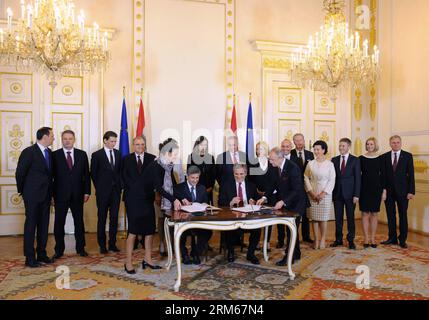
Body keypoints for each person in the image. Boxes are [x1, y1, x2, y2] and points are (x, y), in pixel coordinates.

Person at [257, 147, 305, 265]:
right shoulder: (274, 168)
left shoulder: (293, 168)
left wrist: (283, 201)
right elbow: (271, 185)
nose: (270, 162)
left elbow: (297, 189)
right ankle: (296, 253)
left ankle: (289, 257)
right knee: (291, 230)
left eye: (272, 159)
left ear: (280, 158)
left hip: (296, 203)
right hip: (286, 202)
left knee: (290, 231)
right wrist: (263, 198)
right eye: (270, 159)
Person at [15, 127, 55, 267]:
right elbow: (20, 173)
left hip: (46, 196)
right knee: (31, 225)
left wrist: (51, 195)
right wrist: (23, 191)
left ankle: (42, 254)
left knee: (44, 225)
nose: (53, 138)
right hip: (32, 196)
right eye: (52, 136)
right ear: (44, 136)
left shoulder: (49, 152)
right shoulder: (29, 152)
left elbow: (50, 176)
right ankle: (29, 257)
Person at [52, 130, 91, 259]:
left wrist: (87, 192)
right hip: (60, 195)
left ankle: (81, 248)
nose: (67, 141)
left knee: (79, 222)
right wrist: (52, 195)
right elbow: (51, 178)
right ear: (61, 140)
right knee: (59, 223)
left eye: (70, 138)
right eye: (65, 139)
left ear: (74, 140)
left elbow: (86, 175)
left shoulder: (82, 154)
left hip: (78, 195)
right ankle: (59, 250)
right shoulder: (54, 155)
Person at [122, 136, 156, 274]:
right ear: (133, 145)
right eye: (137, 144)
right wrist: (138, 189)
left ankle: (148, 258)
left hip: (148, 199)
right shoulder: (126, 159)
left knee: (149, 230)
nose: (140, 146)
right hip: (133, 199)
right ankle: (128, 262)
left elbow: (155, 178)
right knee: (133, 231)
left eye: (142, 144)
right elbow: (124, 178)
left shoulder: (152, 158)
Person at [218, 164, 261, 265]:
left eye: (241, 174)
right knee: (229, 228)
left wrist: (253, 201)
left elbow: (256, 199)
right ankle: (231, 252)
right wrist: (230, 202)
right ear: (233, 173)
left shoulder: (251, 185)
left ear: (245, 174)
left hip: (248, 217)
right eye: (236, 174)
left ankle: (250, 254)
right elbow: (220, 203)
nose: (239, 176)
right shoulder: (226, 185)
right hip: (233, 216)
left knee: (257, 229)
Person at [381, 135, 415, 249]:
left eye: (397, 142)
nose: (395, 144)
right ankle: (392, 238)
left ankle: (402, 240)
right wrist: (383, 191)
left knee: (403, 216)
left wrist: (411, 191)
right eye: (393, 143)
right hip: (389, 192)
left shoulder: (407, 156)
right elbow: (383, 176)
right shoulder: (384, 157)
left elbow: (411, 175)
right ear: (390, 144)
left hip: (403, 192)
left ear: (401, 143)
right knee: (391, 216)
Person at [90, 131, 122, 254]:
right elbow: (93, 173)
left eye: (115, 141)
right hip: (103, 192)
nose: (114, 143)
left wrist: (120, 186)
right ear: (105, 140)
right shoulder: (97, 155)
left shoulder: (118, 154)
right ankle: (102, 245)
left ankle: (112, 244)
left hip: (116, 192)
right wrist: (100, 187)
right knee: (102, 218)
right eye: (112, 141)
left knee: (114, 218)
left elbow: (119, 172)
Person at [174, 166, 213, 265]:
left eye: (197, 178)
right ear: (187, 176)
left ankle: (196, 253)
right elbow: (175, 203)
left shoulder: (202, 188)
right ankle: (184, 255)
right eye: (192, 178)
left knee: (208, 232)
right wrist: (182, 202)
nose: (195, 180)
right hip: (184, 220)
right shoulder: (179, 188)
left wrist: (204, 205)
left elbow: (205, 202)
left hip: (199, 219)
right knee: (181, 233)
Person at [304, 141, 336, 250]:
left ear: (323, 150)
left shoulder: (330, 164)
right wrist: (311, 192)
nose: (316, 151)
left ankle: (322, 239)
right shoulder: (310, 163)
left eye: (318, 149)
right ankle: (316, 240)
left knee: (323, 218)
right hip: (312, 193)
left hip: (325, 195)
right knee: (314, 218)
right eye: (315, 149)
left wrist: (323, 193)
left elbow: (332, 180)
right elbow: (305, 178)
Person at [331, 138, 361, 250]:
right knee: (338, 218)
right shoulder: (334, 160)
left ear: (348, 147)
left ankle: (350, 240)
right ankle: (338, 239)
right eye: (340, 146)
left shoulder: (355, 160)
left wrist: (356, 195)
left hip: (350, 194)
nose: (341, 148)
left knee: (350, 218)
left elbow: (358, 179)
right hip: (337, 193)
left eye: (343, 146)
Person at [248, 141, 276, 251]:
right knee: (258, 218)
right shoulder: (253, 162)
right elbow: (250, 180)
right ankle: (257, 241)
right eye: (258, 149)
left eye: (262, 149)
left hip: (270, 195)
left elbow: (274, 180)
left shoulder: (271, 163)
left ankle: (267, 241)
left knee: (269, 219)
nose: (260, 151)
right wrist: (257, 192)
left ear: (266, 150)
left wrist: (266, 193)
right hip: (256, 195)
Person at [360, 137, 386, 249]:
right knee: (365, 213)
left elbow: (384, 176)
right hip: (364, 189)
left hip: (377, 189)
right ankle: (366, 238)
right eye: (367, 144)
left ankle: (373, 238)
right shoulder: (361, 158)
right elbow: (358, 175)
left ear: (375, 145)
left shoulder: (381, 159)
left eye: (371, 144)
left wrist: (384, 191)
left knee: (375, 213)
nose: (369, 146)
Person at [291, 133, 315, 244]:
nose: (299, 142)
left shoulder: (310, 154)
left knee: (306, 214)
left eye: (301, 140)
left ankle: (306, 236)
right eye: (297, 140)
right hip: (294, 187)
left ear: (304, 140)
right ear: (294, 142)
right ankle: (294, 236)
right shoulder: (290, 154)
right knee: (295, 214)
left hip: (307, 187)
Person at [275, 139, 293, 248]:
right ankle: (280, 240)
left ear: (291, 147)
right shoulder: (275, 160)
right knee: (280, 220)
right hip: (279, 195)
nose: (285, 148)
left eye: (287, 146)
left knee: (290, 222)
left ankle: (290, 244)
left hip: (291, 197)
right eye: (283, 146)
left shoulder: (295, 161)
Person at [187, 136, 216, 204]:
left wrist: (209, 189)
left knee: (207, 211)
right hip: (195, 190)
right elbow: (189, 175)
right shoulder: (191, 157)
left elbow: (213, 176)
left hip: (208, 190)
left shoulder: (210, 157)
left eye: (205, 145)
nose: (203, 147)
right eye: (201, 145)